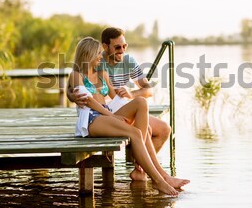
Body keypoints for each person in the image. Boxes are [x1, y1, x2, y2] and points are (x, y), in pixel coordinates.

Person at [69, 37, 189, 196]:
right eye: (98, 53)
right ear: (88, 54)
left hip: (106, 113)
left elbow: (114, 98)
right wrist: (112, 116)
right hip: (92, 120)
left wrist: (126, 93)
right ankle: (158, 180)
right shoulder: (76, 75)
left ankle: (151, 170)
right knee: (136, 133)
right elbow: (89, 101)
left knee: (141, 104)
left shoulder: (102, 74)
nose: (100, 56)